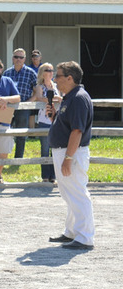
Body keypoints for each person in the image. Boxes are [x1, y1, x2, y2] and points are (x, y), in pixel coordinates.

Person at [46, 61, 95, 250]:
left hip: (71, 153)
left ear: (69, 78)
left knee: (77, 193)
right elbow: (68, 125)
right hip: (65, 151)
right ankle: (72, 232)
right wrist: (54, 116)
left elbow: (77, 131)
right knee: (69, 194)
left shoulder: (78, 98)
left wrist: (68, 158)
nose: (55, 80)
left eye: (58, 76)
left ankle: (85, 237)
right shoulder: (69, 97)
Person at [3, 48, 38, 160]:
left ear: (25, 59)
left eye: (21, 57)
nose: (18, 59)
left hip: (23, 106)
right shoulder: (6, 73)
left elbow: (37, 92)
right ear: (13, 58)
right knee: (3, 132)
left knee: (21, 134)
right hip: (8, 107)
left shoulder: (31, 73)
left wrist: (27, 104)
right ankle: (1, 157)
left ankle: (18, 158)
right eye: (16, 57)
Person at [32, 62, 60, 183]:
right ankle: (45, 176)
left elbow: (62, 97)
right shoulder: (39, 86)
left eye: (52, 70)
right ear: (43, 73)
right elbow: (39, 98)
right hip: (44, 120)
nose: (50, 72)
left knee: (55, 148)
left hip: (56, 120)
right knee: (44, 149)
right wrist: (55, 99)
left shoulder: (56, 86)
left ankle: (53, 175)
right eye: (48, 70)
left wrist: (56, 98)